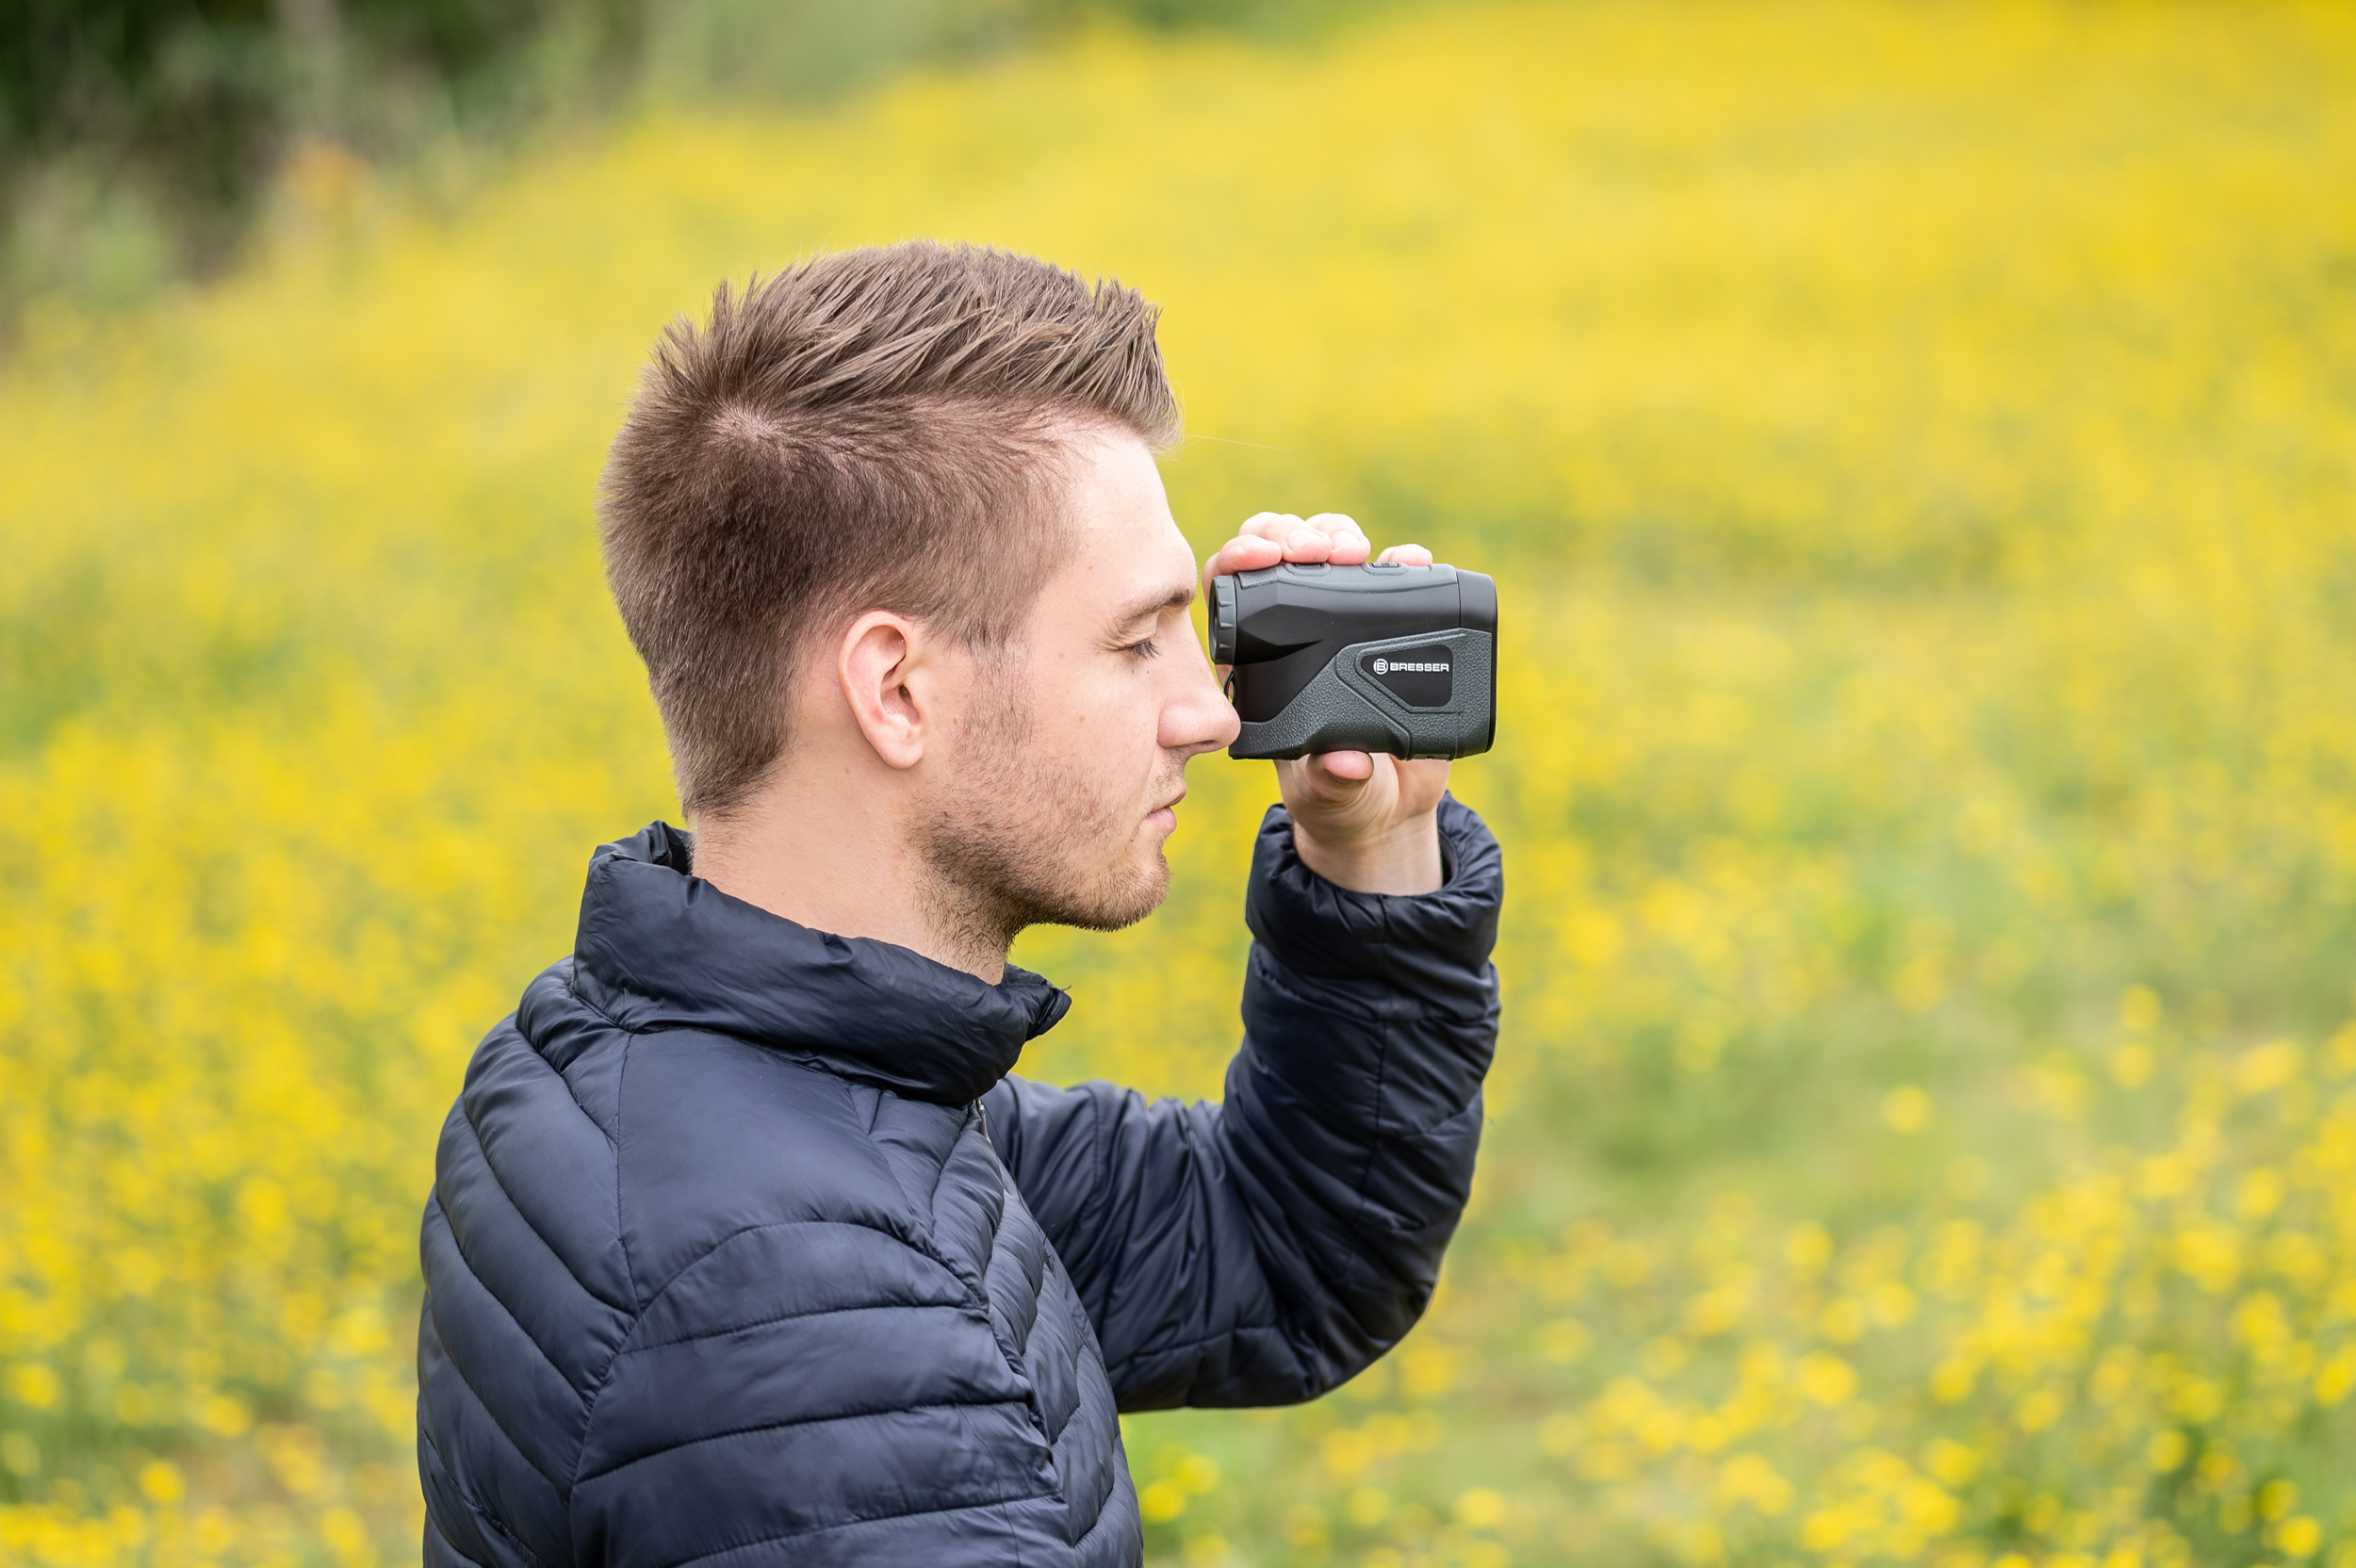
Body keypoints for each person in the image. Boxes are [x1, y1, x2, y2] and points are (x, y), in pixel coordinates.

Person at [414, 241, 1503, 1568]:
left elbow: (1279, 1252)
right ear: (898, 690)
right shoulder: (802, 1305)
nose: (1211, 712)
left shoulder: (690, 1072)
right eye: (1135, 636)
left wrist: (1368, 845)